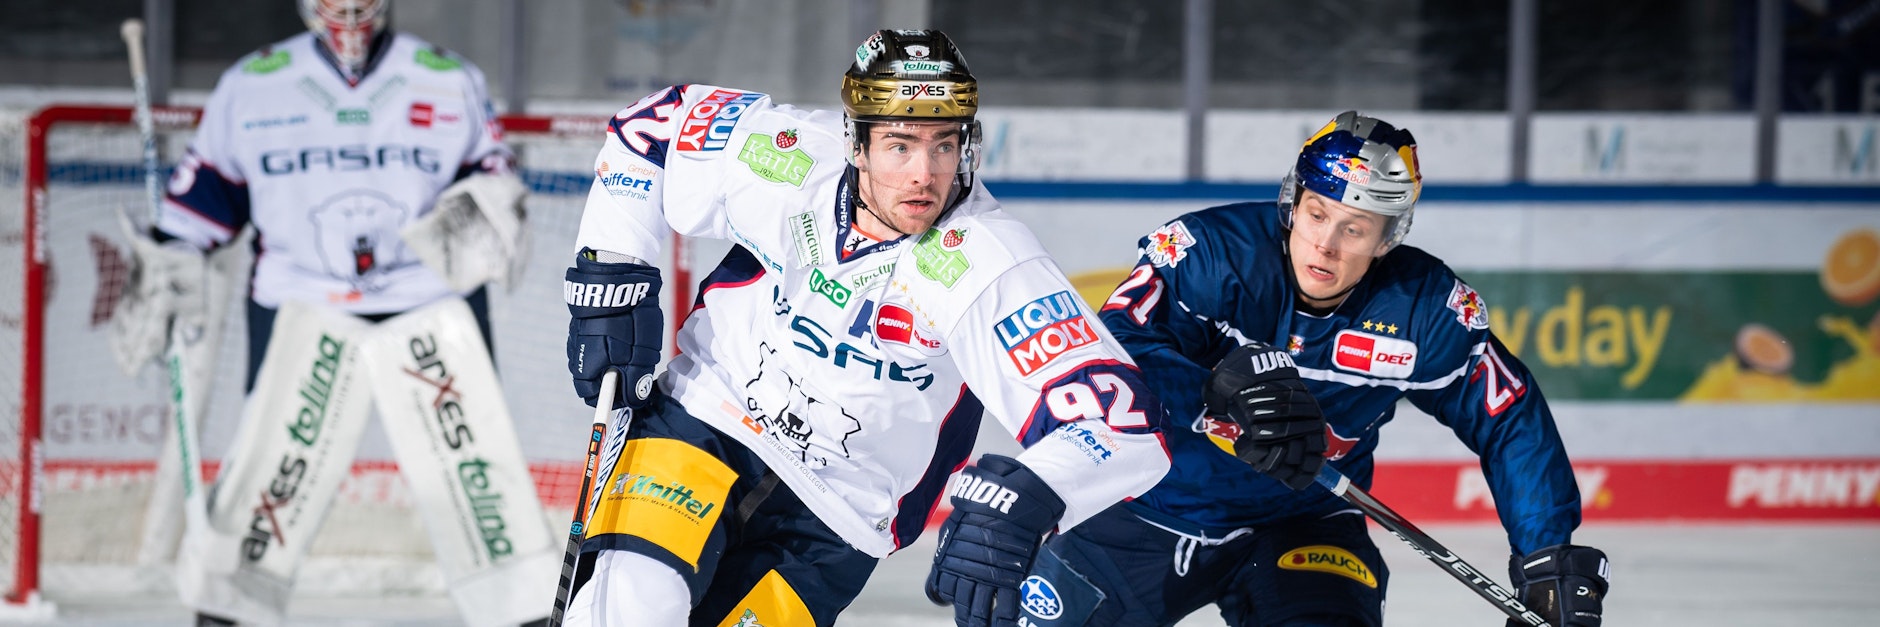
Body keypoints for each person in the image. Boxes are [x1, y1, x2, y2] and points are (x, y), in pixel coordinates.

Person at [559, 29, 1186, 627]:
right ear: (854, 142)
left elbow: (1126, 426)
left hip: (840, 511)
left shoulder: (986, 260)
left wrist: (1032, 495)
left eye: (945, 145)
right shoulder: (785, 159)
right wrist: (612, 267)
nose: (925, 173)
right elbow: (655, 126)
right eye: (900, 145)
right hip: (704, 417)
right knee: (635, 603)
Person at [1021, 112, 1612, 626]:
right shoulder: (1209, 252)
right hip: (1144, 507)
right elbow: (1110, 352)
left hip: (1303, 525)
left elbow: (1507, 418)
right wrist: (1214, 391)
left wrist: (1546, 555)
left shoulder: (1425, 308)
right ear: (1292, 203)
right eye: (1316, 214)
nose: (1326, 243)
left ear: (1388, 237)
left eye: (1355, 229)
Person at [118, 1, 556, 625]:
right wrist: (167, 255)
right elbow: (205, 200)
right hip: (301, 303)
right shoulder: (253, 84)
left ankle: (520, 609)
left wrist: (492, 204)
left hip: (429, 304)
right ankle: (230, 608)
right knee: (275, 469)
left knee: (474, 468)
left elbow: (492, 176)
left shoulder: (448, 77)